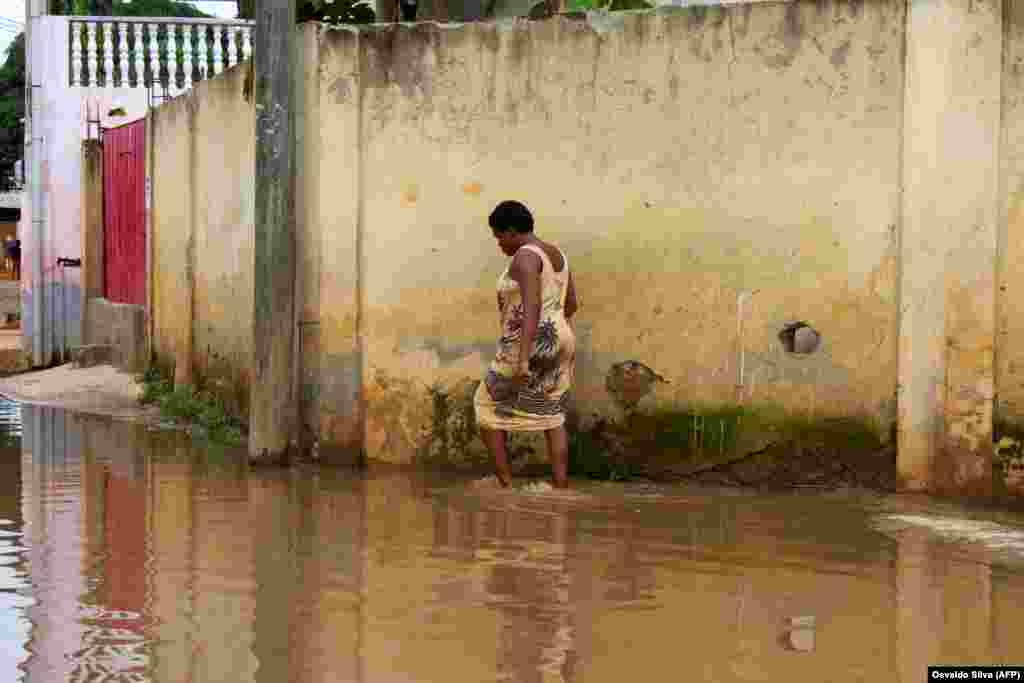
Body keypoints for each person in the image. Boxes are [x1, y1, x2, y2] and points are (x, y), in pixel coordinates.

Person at [474, 200, 578, 489]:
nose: (499, 245)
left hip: (527, 343)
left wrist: (522, 358)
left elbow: (531, 305)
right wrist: (556, 332)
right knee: (552, 412)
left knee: (485, 404)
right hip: (560, 337)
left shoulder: (524, 257)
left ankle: (506, 486)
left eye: (499, 237)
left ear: (510, 231)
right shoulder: (557, 255)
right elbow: (571, 303)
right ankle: (560, 487)